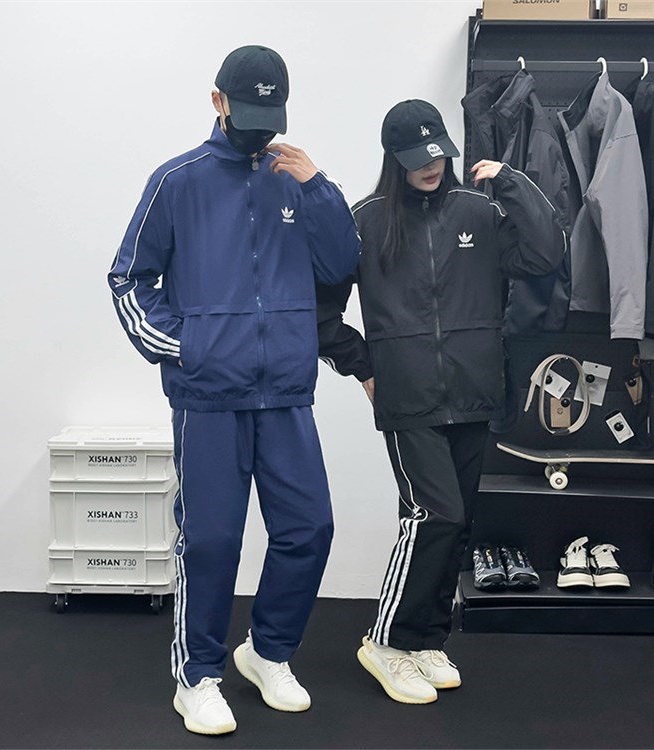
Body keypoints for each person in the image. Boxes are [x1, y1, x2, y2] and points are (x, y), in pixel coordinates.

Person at [108, 45, 361, 735]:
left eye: (270, 117)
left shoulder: (298, 181)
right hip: (209, 397)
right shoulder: (177, 181)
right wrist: (186, 348)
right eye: (245, 113)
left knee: (309, 529)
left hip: (285, 392)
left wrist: (319, 187)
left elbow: (343, 265)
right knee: (212, 541)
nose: (259, 130)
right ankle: (197, 676)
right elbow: (128, 278)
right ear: (218, 101)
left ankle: (268, 652)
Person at [317, 99, 565, 705]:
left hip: (474, 393)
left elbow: (545, 254)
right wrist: (364, 367)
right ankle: (386, 642)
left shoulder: (481, 210)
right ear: (393, 159)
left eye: (438, 154)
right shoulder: (366, 222)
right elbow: (320, 311)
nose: (431, 166)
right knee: (433, 515)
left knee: (458, 523)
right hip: (409, 397)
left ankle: (426, 639)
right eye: (417, 158)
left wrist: (510, 181)